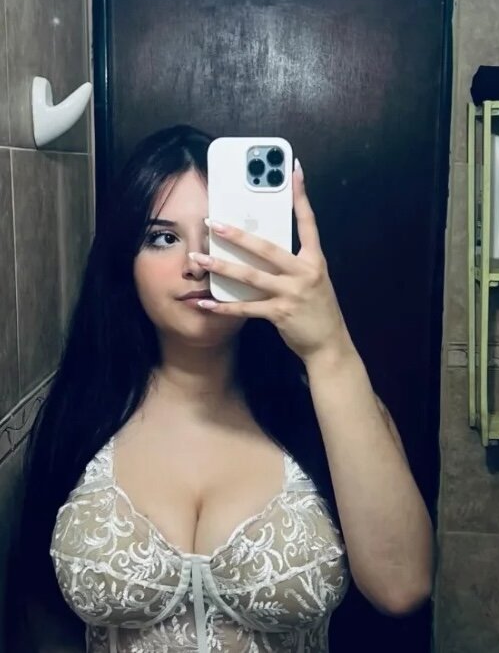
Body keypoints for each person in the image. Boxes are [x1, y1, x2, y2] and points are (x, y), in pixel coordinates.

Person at [9, 124, 433, 652]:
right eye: (163, 237)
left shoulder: (330, 406)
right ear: (125, 262)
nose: (195, 263)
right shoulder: (81, 410)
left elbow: (401, 588)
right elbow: (40, 607)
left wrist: (329, 348)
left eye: (220, 234)